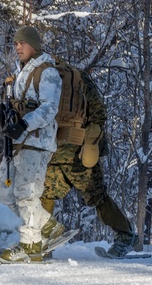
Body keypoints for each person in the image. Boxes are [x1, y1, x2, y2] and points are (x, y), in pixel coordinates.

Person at [40, 61, 138, 257]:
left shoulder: (67, 77)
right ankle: (42, 241)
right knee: (46, 192)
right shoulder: (40, 78)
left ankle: (126, 236)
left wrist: (91, 142)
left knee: (94, 195)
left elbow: (98, 114)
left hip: (76, 149)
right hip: (58, 149)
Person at [0, 26, 62, 262]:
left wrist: (24, 124)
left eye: (22, 42)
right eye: (15, 43)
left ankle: (30, 245)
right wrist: (4, 113)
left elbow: (49, 108)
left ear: (34, 45)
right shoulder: (19, 72)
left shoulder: (47, 72)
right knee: (6, 193)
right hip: (17, 142)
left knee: (26, 194)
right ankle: (47, 226)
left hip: (36, 141)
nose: (18, 47)